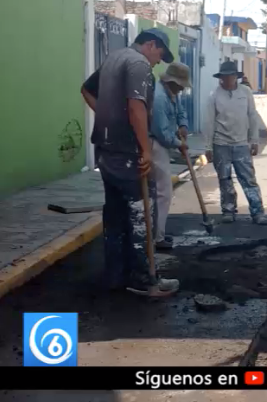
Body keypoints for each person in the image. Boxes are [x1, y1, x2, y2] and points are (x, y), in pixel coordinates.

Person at [80, 28, 180, 297]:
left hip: (106, 150)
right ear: (151, 44)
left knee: (115, 215)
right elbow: (136, 107)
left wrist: (107, 118)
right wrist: (145, 150)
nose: (158, 61)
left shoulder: (115, 58)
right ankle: (144, 279)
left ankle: (115, 276)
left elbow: (86, 90)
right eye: (160, 54)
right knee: (140, 216)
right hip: (126, 154)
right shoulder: (139, 65)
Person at [203, 61, 267, 225]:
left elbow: (252, 116)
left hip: (241, 144)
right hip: (220, 143)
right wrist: (207, 147)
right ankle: (228, 210)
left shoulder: (245, 92)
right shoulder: (214, 95)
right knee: (224, 179)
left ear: (235, 77)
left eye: (229, 76)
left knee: (248, 179)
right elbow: (209, 122)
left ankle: (257, 212)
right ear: (220, 78)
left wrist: (254, 140)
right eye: (223, 77)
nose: (226, 80)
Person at [149, 62, 192, 250]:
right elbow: (162, 132)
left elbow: (181, 112)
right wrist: (179, 144)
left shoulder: (172, 93)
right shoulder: (159, 97)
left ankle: (153, 232)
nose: (182, 88)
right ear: (172, 82)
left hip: (161, 142)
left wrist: (183, 125)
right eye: (181, 84)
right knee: (163, 191)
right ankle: (158, 237)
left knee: (158, 191)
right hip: (153, 144)